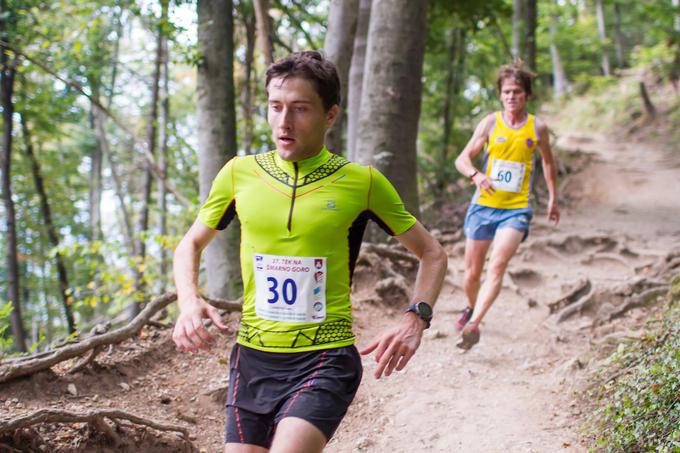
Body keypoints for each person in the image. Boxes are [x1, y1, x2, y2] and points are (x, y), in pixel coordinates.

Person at [172, 51, 447, 453]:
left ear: (330, 115)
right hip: (252, 359)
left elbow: (433, 254)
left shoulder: (362, 183)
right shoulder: (238, 174)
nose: (284, 122)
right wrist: (188, 300)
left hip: (324, 358)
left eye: (300, 109)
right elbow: (189, 244)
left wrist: (415, 318)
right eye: (275, 107)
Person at [453, 62, 560, 351]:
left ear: (527, 95)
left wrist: (552, 197)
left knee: (498, 264)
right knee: (472, 272)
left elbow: (548, 163)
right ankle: (471, 308)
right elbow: (462, 159)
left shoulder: (538, 127)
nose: (512, 96)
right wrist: (477, 175)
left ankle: (475, 323)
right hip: (483, 206)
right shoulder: (490, 123)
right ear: (500, 95)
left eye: (517, 92)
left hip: (516, 208)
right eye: (507, 92)